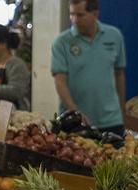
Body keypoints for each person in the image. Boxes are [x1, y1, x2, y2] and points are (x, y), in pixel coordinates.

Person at [51, 0, 126, 133]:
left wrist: (122, 112)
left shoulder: (114, 36)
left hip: (111, 121)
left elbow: (119, 75)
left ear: (95, 14)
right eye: (72, 14)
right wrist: (76, 113)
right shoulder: (61, 42)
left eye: (80, 15)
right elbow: (60, 82)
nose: (75, 20)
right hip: (75, 122)